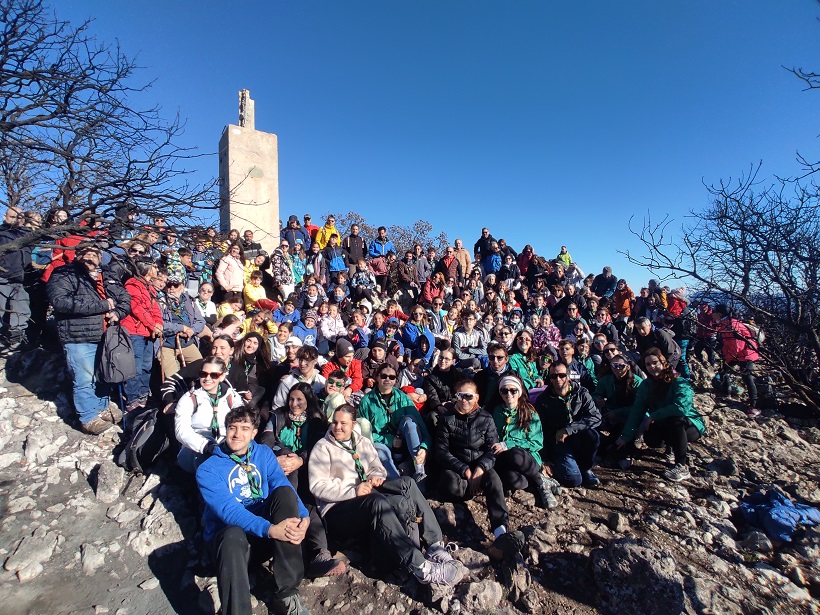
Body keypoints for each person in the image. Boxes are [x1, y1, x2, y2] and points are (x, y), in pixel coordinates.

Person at [309, 404, 464, 588]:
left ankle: (435, 544)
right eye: (334, 422)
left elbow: (377, 466)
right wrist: (353, 490)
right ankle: (421, 568)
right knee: (377, 502)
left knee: (406, 483)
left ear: (353, 424)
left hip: (367, 493)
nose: (337, 427)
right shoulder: (323, 448)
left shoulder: (362, 442)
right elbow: (317, 486)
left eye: (343, 423)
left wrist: (377, 476)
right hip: (338, 509)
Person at [196, 406, 311, 615]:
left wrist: (304, 517)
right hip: (233, 550)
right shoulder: (208, 469)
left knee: (284, 493)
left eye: (244, 428)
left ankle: (287, 594)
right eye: (232, 428)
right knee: (232, 534)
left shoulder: (263, 453)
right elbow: (228, 511)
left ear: (254, 433)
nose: (237, 434)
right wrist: (270, 529)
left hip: (264, 536)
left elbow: (280, 483)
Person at [435, 380, 525, 560]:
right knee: (450, 484)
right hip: (457, 467)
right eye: (460, 396)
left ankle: (501, 531)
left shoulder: (485, 418)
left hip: (480, 465)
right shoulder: (446, 420)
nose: (464, 400)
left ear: (476, 397)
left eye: (468, 396)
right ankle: (470, 490)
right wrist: (464, 470)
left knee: (494, 480)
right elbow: (441, 451)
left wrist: (480, 468)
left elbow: (492, 449)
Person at [47, 244, 130, 434]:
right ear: (77, 255)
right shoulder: (64, 274)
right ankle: (88, 417)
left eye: (95, 254)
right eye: (86, 253)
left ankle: (101, 408)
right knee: (84, 377)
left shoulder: (105, 276)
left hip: (104, 334)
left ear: (101, 258)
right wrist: (102, 305)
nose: (91, 257)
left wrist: (118, 312)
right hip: (78, 335)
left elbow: (124, 298)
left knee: (101, 375)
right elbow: (61, 302)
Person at [615, 348, 705, 482]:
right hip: (664, 422)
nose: (652, 367)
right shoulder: (647, 385)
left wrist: (653, 416)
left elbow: (681, 408)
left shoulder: (678, 381)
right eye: (648, 364)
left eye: (655, 362)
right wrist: (625, 436)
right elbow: (637, 411)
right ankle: (670, 447)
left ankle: (681, 465)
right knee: (651, 438)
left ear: (663, 362)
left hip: (689, 424)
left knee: (675, 421)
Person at [486, 374, 557, 508]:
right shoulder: (495, 411)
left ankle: (542, 485)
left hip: (526, 458)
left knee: (516, 454)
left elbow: (537, 443)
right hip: (503, 458)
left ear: (520, 392)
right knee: (513, 480)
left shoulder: (529, 413)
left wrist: (509, 444)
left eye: (513, 390)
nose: (509, 394)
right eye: (504, 390)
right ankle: (535, 480)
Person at [358, 363, 432, 480]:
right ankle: (397, 482)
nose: (387, 379)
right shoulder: (366, 401)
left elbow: (421, 426)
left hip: (404, 442)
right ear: (377, 377)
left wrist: (424, 447)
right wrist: (389, 440)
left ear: (395, 380)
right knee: (382, 454)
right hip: (381, 443)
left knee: (410, 420)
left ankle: (419, 470)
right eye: (383, 376)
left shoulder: (403, 398)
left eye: (392, 377)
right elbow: (364, 433)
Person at [534, 362, 603, 488]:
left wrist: (569, 429)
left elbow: (596, 417)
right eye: (553, 376)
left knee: (593, 436)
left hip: (578, 436)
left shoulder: (581, 393)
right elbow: (539, 429)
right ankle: (567, 466)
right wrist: (545, 458)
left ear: (568, 376)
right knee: (574, 480)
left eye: (562, 375)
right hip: (558, 441)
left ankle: (585, 468)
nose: (558, 379)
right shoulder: (543, 399)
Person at [174, 357, 246, 473]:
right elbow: (181, 431)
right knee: (208, 459)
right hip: (196, 449)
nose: (207, 378)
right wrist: (207, 446)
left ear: (222, 376)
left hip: (225, 445)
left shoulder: (232, 397)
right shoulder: (189, 398)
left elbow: (242, 422)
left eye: (214, 375)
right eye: (203, 374)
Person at [121, 259, 163, 413]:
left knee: (147, 366)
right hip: (135, 331)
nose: (157, 269)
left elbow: (155, 309)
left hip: (148, 332)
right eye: (154, 266)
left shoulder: (150, 288)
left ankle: (143, 395)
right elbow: (136, 309)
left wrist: (158, 324)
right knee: (136, 367)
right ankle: (132, 399)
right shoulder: (132, 285)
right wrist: (153, 325)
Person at [712, 303, 761, 417]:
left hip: (746, 353)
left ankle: (754, 406)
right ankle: (726, 392)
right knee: (723, 371)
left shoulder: (731, 325)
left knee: (747, 377)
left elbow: (736, 346)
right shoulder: (727, 323)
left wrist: (727, 358)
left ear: (719, 314)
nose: (712, 314)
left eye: (714, 312)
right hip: (740, 353)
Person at [160, 275, 206, 377]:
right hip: (166, 345)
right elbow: (160, 324)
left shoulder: (189, 301)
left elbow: (200, 321)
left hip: (187, 343)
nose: (172, 288)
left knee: (201, 369)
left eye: (175, 285)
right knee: (173, 378)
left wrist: (192, 331)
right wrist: (181, 328)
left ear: (182, 286)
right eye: (169, 285)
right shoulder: (160, 302)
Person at [0, 206, 31, 351]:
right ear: (5, 216)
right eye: (13, 216)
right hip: (2, 278)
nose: (16, 220)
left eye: (19, 217)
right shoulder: (1, 233)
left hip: (20, 279)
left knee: (21, 311)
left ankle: (15, 342)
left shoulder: (26, 235)